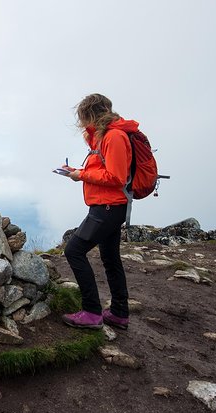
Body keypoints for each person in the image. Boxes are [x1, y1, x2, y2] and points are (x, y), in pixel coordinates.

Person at [60, 93, 137, 330]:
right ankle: (119, 313)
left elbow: (116, 176)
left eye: (83, 118)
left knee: (73, 251)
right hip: (111, 206)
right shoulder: (105, 136)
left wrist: (81, 175)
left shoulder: (113, 136)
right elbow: (105, 168)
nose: (82, 124)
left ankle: (92, 312)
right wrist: (76, 170)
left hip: (107, 207)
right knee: (110, 258)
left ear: (90, 115)